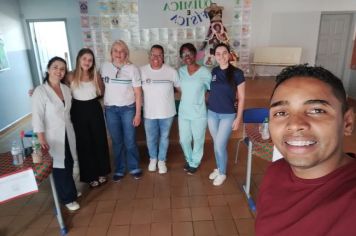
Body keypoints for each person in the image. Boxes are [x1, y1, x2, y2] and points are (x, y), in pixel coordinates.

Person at [255, 65, 356, 235]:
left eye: (317, 110)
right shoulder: (275, 170)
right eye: (281, 113)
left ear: (347, 122)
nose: (295, 124)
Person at [32, 57, 80, 211]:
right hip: (52, 135)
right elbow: (37, 116)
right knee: (60, 166)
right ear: (48, 69)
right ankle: (67, 198)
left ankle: (70, 191)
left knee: (70, 162)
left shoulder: (65, 89)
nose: (59, 71)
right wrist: (41, 138)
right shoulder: (40, 91)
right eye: (55, 67)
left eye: (62, 69)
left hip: (67, 132)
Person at [68, 48, 111, 188]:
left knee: (99, 141)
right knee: (84, 143)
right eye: (84, 59)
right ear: (79, 59)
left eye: (90, 60)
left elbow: (101, 92)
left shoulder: (95, 76)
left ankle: (101, 172)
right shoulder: (70, 76)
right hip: (78, 110)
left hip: (94, 109)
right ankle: (90, 176)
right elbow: (54, 85)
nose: (87, 62)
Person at [101, 40, 143, 181]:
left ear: (126, 53)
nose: (119, 54)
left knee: (130, 140)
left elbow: (138, 93)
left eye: (122, 51)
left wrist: (138, 114)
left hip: (128, 109)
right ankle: (119, 169)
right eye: (115, 51)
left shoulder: (133, 69)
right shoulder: (104, 67)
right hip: (111, 110)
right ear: (111, 53)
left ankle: (134, 166)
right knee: (117, 141)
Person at [207, 43, 245, 186]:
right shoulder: (213, 72)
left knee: (219, 145)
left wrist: (238, 118)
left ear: (229, 55)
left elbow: (241, 98)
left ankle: (222, 173)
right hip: (212, 113)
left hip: (228, 115)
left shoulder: (237, 73)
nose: (221, 56)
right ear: (214, 56)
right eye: (218, 53)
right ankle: (219, 168)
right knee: (217, 145)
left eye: (224, 53)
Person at [140, 45, 180, 174]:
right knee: (150, 138)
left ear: (163, 57)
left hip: (167, 112)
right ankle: (153, 159)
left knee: (164, 137)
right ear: (149, 56)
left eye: (159, 55)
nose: (156, 58)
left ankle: (162, 160)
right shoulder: (141, 71)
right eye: (153, 54)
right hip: (149, 113)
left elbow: (181, 89)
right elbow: (136, 91)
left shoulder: (171, 71)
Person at [178, 43, 212, 175]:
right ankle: (189, 158)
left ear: (195, 55)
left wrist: (203, 100)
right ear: (181, 57)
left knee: (198, 139)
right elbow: (177, 86)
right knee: (184, 139)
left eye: (190, 53)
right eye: (184, 54)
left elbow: (210, 90)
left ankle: (194, 162)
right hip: (184, 112)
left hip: (199, 113)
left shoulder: (205, 72)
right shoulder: (180, 71)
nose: (187, 56)